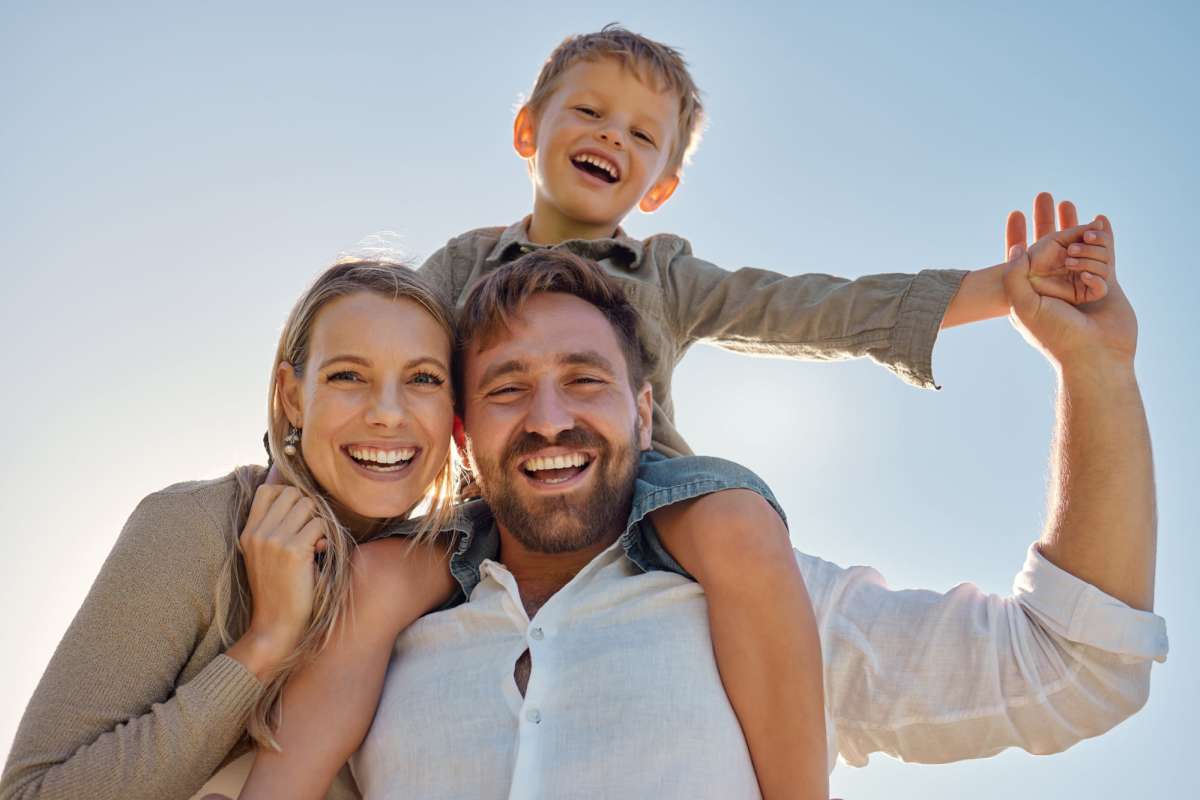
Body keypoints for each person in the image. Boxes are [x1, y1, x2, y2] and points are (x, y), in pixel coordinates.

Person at [231, 208, 1163, 798]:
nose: (550, 419)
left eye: (585, 381)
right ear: (465, 432)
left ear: (644, 411)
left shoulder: (765, 606)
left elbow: (1078, 671)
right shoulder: (381, 619)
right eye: (508, 388)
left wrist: (1097, 374)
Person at [416, 25, 1115, 796]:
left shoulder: (665, 274)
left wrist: (1001, 286)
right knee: (370, 584)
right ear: (528, 130)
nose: (610, 135)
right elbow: (381, 354)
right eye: (588, 112)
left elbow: (808, 308)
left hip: (643, 493)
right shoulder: (459, 267)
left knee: (738, 520)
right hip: (487, 500)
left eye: (641, 134)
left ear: (658, 185)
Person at [0, 260, 464, 800]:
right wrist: (265, 644)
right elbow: (32, 793)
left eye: (423, 379)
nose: (388, 413)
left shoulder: (461, 571)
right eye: (347, 376)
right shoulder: (193, 527)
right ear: (292, 397)